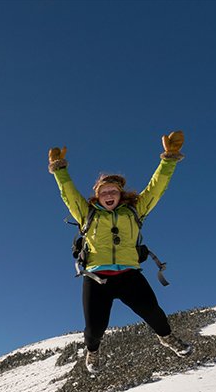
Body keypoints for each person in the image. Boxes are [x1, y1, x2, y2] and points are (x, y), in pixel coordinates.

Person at [48, 131, 193, 373]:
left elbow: (156, 188)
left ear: (120, 194)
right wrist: (59, 169)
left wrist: (168, 159)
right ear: (97, 196)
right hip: (97, 278)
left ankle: (167, 338)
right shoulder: (87, 213)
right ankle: (92, 352)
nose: (108, 195)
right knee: (94, 329)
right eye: (103, 192)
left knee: (154, 313)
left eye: (113, 191)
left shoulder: (135, 211)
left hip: (129, 275)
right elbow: (69, 194)